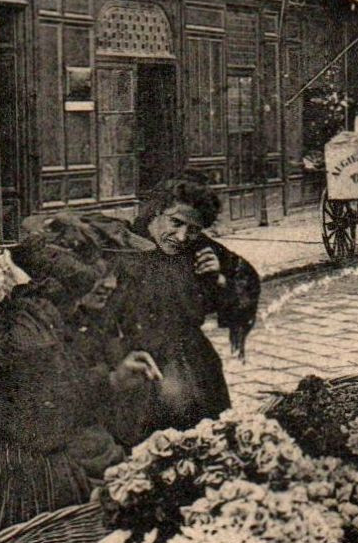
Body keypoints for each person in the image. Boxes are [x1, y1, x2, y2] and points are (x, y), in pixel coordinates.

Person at [0, 214, 162, 543]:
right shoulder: (32, 339)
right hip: (17, 485)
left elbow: (47, 400)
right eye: (96, 281)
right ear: (66, 290)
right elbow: (49, 426)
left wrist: (109, 382)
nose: (109, 288)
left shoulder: (22, 322)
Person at [107, 176, 260, 441]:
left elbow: (244, 283)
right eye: (175, 223)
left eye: (193, 229)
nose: (182, 237)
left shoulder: (200, 249)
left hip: (194, 361)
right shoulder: (123, 247)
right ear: (156, 211)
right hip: (137, 363)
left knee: (205, 440)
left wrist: (218, 279)